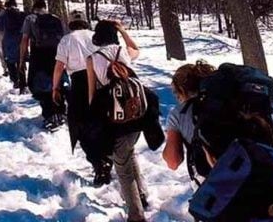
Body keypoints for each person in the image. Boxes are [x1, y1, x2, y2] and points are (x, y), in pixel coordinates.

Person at [87, 20, 148, 222]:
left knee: (122, 167)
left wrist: (93, 119)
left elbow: (92, 92)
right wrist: (122, 30)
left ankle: (136, 215)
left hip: (113, 118)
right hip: (136, 113)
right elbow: (136, 49)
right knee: (128, 154)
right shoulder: (123, 52)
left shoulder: (93, 58)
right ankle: (142, 195)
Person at [52, 11, 114, 186]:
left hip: (79, 84)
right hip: (100, 80)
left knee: (79, 126)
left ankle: (98, 162)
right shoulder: (95, 36)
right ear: (86, 22)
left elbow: (59, 66)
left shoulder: (66, 40)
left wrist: (55, 87)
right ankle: (106, 156)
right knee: (102, 123)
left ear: (70, 23)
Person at [19, 0, 67, 131]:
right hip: (56, 54)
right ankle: (61, 111)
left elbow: (24, 40)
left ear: (34, 7)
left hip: (38, 55)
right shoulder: (56, 18)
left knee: (41, 85)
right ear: (45, 7)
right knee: (58, 82)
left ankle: (50, 116)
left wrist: (22, 58)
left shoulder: (30, 19)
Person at [162, 61, 217, 172]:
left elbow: (173, 162)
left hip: (214, 181)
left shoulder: (178, 114)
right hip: (253, 171)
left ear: (181, 90)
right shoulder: (228, 101)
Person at [0, 0, 27, 90]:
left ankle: (15, 80)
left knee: (10, 61)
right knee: (20, 60)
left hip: (8, 40)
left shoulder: (3, 14)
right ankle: (23, 83)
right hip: (20, 40)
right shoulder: (22, 14)